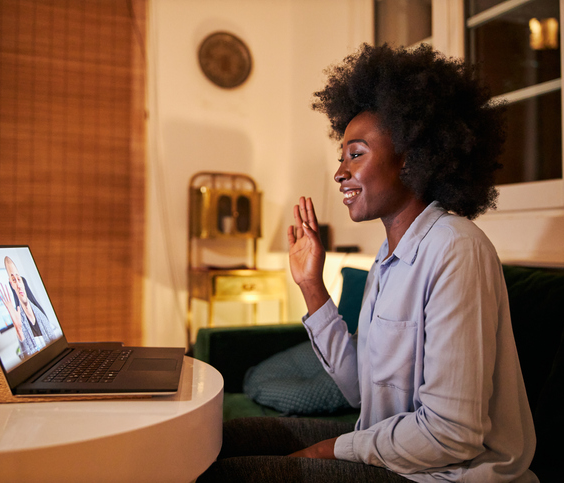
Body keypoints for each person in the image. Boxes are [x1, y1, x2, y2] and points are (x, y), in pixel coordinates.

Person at [198, 44, 536, 482]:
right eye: (341, 156)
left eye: (355, 154)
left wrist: (332, 449)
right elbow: (359, 390)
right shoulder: (387, 259)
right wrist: (311, 284)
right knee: (218, 439)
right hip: (392, 449)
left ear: (411, 158)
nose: (340, 172)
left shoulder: (456, 249)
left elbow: (452, 435)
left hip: (447, 474)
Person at [0, 256, 57, 358]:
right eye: (13, 280)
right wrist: (19, 330)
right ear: (11, 285)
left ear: (23, 282)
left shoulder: (41, 316)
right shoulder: (20, 321)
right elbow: (27, 358)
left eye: (18, 279)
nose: (18, 284)